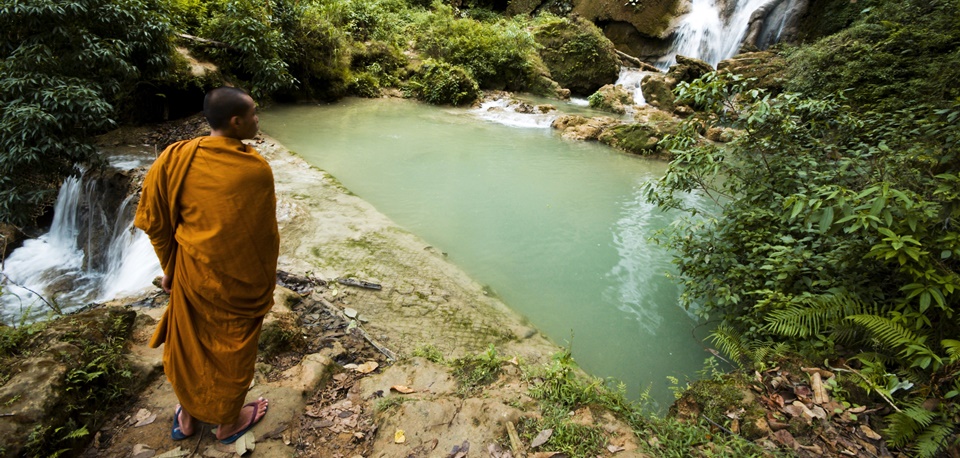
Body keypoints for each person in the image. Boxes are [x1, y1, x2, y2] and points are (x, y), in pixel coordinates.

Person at [135, 86, 280, 444]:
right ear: (236, 122)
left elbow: (155, 221)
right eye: (254, 114)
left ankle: (187, 415)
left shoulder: (175, 157)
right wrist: (263, 282)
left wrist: (171, 267)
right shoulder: (254, 169)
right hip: (237, 284)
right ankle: (228, 423)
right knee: (233, 348)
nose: (257, 119)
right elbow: (260, 239)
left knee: (191, 345)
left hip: (192, 273)